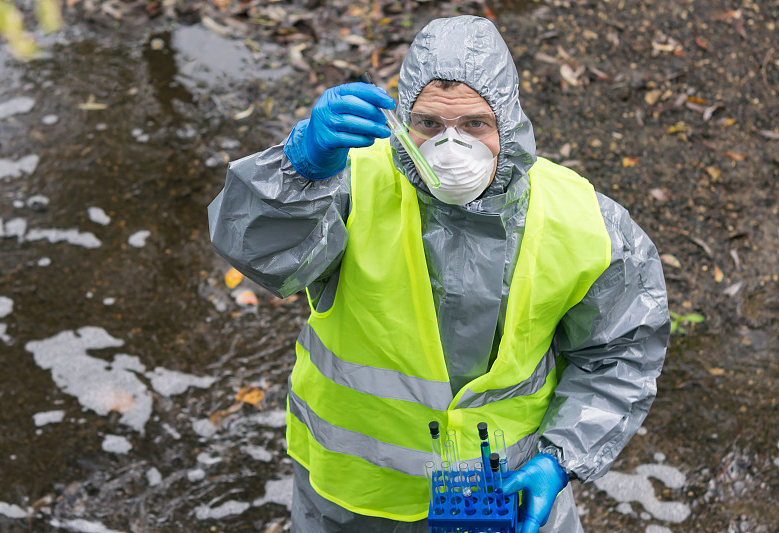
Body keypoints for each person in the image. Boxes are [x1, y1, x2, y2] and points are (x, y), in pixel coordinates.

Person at [208, 15, 669, 533]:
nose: (452, 149)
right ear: (403, 121)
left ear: (508, 123)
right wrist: (299, 170)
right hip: (356, 498)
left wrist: (560, 456)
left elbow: (622, 350)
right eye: (429, 124)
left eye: (475, 124)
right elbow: (258, 252)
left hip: (504, 494)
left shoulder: (586, 223)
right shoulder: (351, 182)